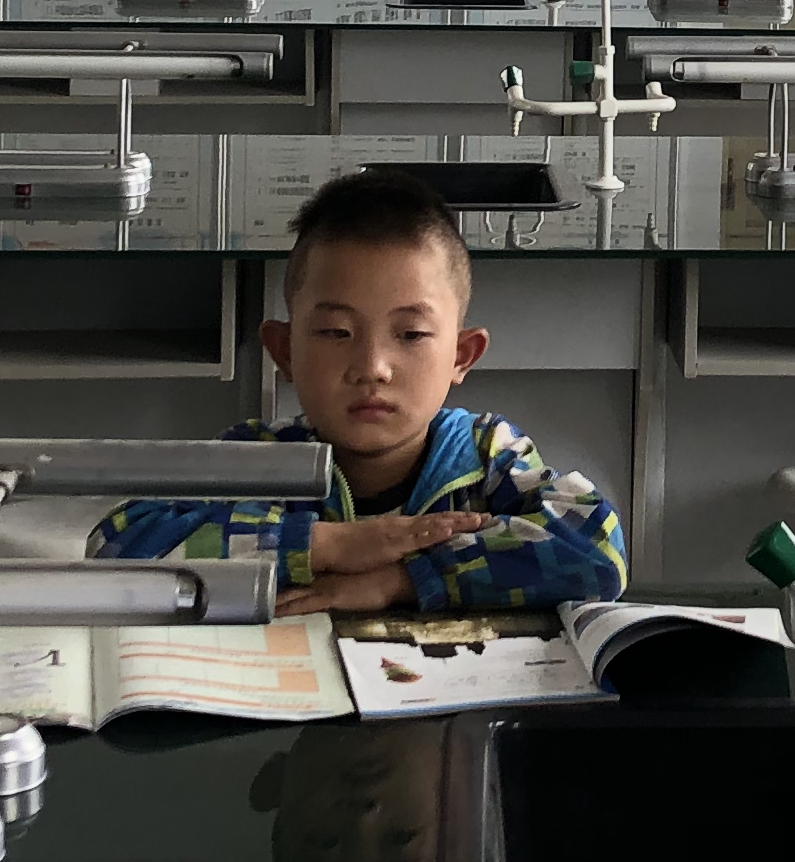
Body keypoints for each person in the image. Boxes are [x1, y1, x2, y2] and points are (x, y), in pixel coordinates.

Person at [91, 167, 628, 616]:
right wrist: (325, 546)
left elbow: (597, 549)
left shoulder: (488, 456)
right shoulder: (257, 462)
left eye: (411, 335)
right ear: (285, 352)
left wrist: (402, 579)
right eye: (335, 332)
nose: (372, 368)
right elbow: (116, 545)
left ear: (461, 356)